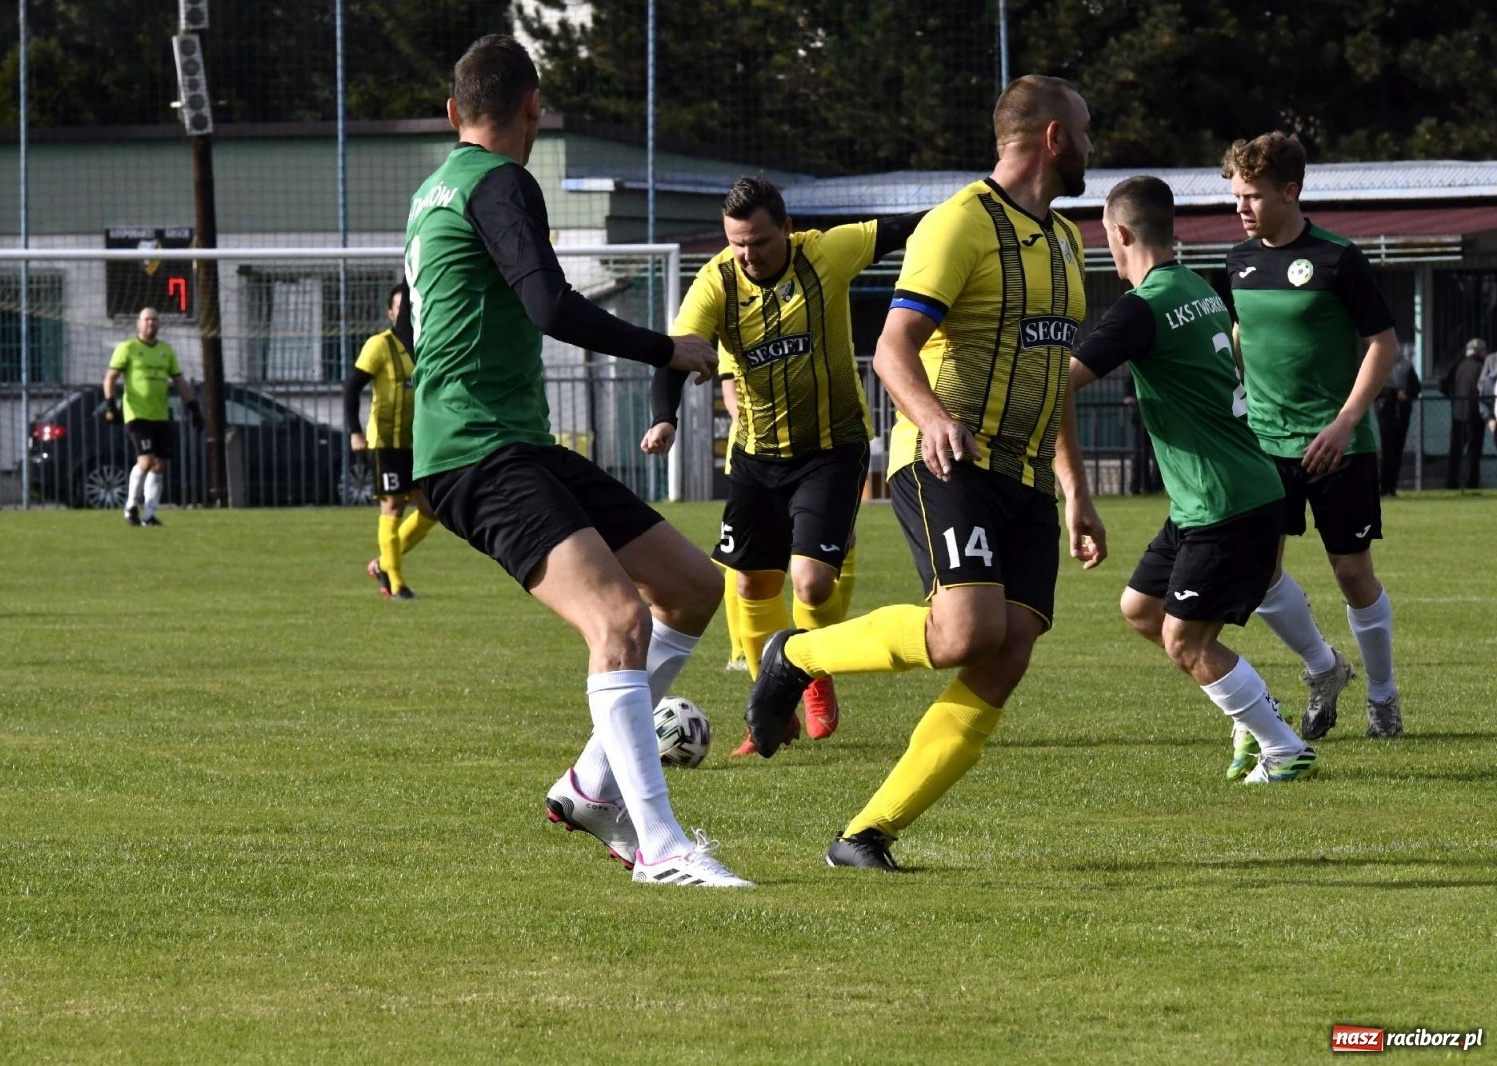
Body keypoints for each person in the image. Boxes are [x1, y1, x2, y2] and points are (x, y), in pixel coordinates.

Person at [405, 35, 750, 887]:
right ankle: (660, 848)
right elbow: (550, 305)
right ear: (534, 108)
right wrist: (668, 349)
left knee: (692, 587)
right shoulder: (500, 181)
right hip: (479, 450)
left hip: (510, 442)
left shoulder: (432, 191)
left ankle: (591, 787)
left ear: (452, 114)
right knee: (619, 622)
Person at [745, 75, 1107, 871]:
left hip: (1027, 480)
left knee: (1007, 652)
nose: (1091, 144)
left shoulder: (1067, 239)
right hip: (950, 460)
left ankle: (865, 833)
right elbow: (892, 348)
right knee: (965, 632)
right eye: (1085, 130)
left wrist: (1076, 490)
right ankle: (795, 656)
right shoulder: (960, 222)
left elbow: (1053, 377)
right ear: (1053, 138)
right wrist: (937, 418)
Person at [641, 175, 918, 754]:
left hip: (831, 448)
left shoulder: (827, 253)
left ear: (788, 229)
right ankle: (773, 711)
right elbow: (675, 354)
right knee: (749, 582)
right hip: (756, 456)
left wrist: (979, 212)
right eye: (737, 243)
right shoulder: (716, 280)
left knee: (811, 584)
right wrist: (665, 418)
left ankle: (813, 676)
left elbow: (906, 228)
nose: (747, 255)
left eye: (760, 242)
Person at [1071, 176, 1315, 783]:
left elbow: (1059, 382)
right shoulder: (1197, 287)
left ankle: (1285, 748)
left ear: (1120, 234)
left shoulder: (1141, 307)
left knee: (1186, 643)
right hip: (1209, 498)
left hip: (1224, 501)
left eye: (1105, 238)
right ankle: (1252, 710)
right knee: (1140, 608)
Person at [1223, 131, 1403, 742]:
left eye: (1252, 195)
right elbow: (1242, 333)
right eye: (1236, 195)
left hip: (1337, 446)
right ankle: (1324, 669)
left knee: (1351, 573)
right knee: (1258, 573)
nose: (1241, 207)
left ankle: (1382, 695)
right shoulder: (1237, 262)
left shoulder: (1338, 258)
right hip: (1264, 445)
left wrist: (1346, 420)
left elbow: (1383, 344)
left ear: (1290, 191)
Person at [344, 281, 438, 600]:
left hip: (419, 442)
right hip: (386, 441)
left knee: (431, 510)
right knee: (393, 506)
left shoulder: (424, 343)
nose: (405, 313)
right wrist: (355, 431)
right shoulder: (379, 345)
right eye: (400, 308)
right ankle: (396, 584)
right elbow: (351, 387)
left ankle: (383, 564)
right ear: (390, 313)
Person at [102, 306, 202, 526]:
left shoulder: (165, 350)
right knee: (146, 461)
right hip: (137, 414)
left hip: (160, 415)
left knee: (159, 465)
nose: (151, 323)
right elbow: (110, 378)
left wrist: (194, 407)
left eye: (154, 320)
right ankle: (130, 506)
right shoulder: (127, 348)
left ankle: (149, 514)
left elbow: (179, 381)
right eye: (147, 319)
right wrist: (111, 405)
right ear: (138, 324)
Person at [1439, 338, 1487, 490]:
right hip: (1475, 413)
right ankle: (1471, 482)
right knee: (1474, 449)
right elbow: (1485, 389)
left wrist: (1453, 397)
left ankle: (1451, 481)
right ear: (1480, 352)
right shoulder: (1482, 367)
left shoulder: (1458, 365)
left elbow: (1442, 384)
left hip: (1458, 412)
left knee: (1455, 449)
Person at [1375, 342, 1421, 496]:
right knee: (1387, 448)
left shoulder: (1407, 366)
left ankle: (1392, 487)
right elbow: (1375, 390)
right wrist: (1394, 394)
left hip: (1402, 412)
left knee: (1398, 449)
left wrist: (1407, 393)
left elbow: (1417, 387)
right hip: (1385, 410)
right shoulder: (1379, 365)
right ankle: (1383, 486)